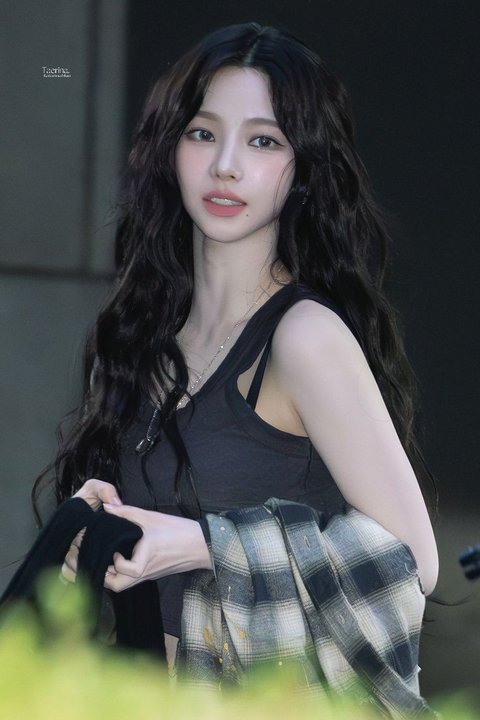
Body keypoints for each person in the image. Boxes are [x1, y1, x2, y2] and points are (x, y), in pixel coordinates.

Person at [33, 21, 438, 698]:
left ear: (304, 168)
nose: (225, 165)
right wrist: (96, 531)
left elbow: (415, 562)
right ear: (169, 149)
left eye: (263, 140)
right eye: (202, 133)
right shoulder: (144, 332)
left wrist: (203, 544)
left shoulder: (304, 336)